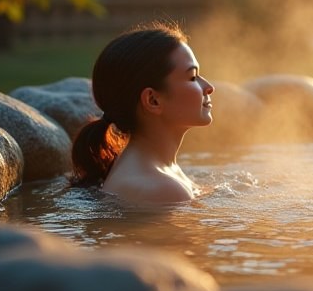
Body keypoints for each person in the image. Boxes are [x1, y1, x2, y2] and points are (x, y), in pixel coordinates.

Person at [70, 21, 214, 204]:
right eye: (192, 77)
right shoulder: (162, 189)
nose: (209, 87)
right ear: (153, 100)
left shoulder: (153, 171)